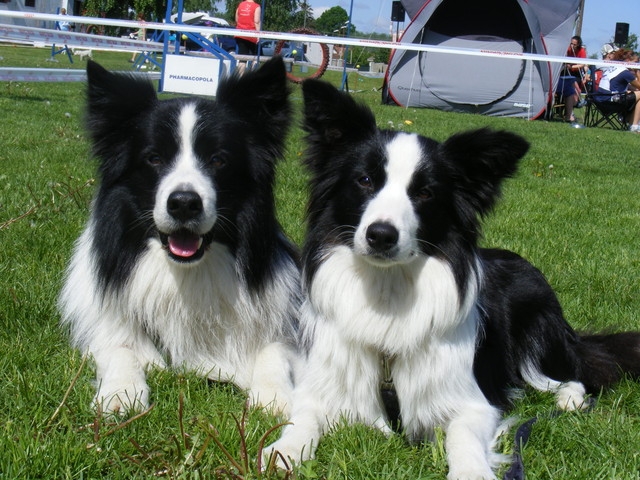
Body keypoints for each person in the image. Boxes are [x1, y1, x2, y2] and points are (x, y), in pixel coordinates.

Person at [593, 48, 640, 132]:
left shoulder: (615, 67)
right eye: (636, 62)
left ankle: (629, 120)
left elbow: (618, 85)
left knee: (634, 94)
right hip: (610, 102)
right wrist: (637, 72)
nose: (637, 64)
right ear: (628, 60)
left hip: (599, 99)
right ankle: (634, 125)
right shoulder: (625, 72)